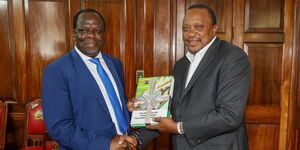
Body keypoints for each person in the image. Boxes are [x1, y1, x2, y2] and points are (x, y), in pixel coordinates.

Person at [125, 4, 251, 150]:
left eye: (198, 27)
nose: (191, 33)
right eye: (186, 28)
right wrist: (140, 128)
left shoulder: (232, 57)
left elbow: (230, 116)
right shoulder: (181, 65)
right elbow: (170, 111)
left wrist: (179, 127)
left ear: (214, 29)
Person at [42, 9, 132, 150]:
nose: (91, 35)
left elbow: (112, 105)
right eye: (83, 30)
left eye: (97, 31)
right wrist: (106, 145)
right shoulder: (56, 71)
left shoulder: (115, 64)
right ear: (74, 34)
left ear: (103, 35)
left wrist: (128, 108)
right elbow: (59, 127)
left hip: (126, 144)